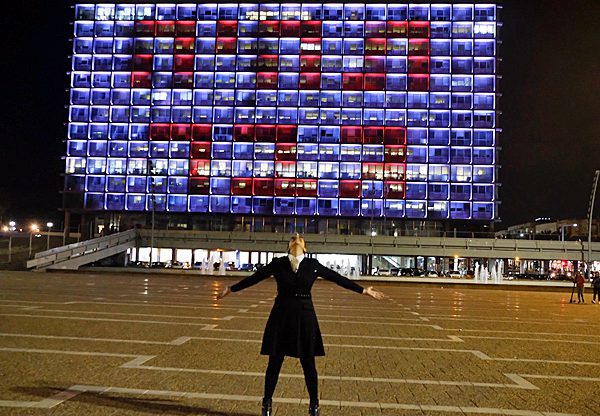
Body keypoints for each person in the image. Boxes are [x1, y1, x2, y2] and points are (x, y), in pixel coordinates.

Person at [217, 234, 385, 416]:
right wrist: (231, 289)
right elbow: (255, 278)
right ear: (289, 246)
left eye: (300, 238)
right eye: (292, 238)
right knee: (275, 360)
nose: (296, 238)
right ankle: (267, 403)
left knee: (308, 362)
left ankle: (314, 404)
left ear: (305, 247)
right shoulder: (278, 263)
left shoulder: (312, 265)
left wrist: (363, 290)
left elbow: (337, 278)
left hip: (305, 316)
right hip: (281, 314)